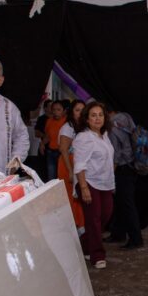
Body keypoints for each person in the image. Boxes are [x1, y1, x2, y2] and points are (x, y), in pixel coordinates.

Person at [73, 101, 114, 269]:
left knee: (106, 215)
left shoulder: (103, 135)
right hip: (88, 183)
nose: (97, 118)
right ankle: (97, 255)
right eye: (93, 115)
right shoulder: (84, 137)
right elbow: (79, 165)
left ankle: (83, 243)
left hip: (105, 183)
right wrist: (83, 188)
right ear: (87, 119)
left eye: (100, 115)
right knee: (94, 219)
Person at [106, 110, 144, 249]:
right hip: (132, 165)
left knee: (126, 204)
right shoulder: (127, 117)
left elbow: (115, 154)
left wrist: (110, 174)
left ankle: (136, 239)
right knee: (121, 203)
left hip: (121, 168)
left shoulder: (112, 126)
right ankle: (118, 233)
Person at [57, 99, 86, 234]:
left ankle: (81, 225)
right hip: (68, 164)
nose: (80, 113)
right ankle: (74, 226)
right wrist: (70, 171)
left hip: (80, 164)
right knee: (71, 195)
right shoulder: (67, 127)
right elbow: (63, 150)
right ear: (71, 112)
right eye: (77, 110)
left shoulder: (84, 126)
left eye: (82, 110)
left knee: (80, 196)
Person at [44, 100, 67, 182]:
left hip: (62, 153)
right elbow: (47, 135)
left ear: (64, 111)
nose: (56, 112)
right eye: (54, 110)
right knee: (51, 178)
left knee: (62, 177)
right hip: (50, 152)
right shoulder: (49, 121)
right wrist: (42, 144)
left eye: (58, 110)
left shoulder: (67, 122)